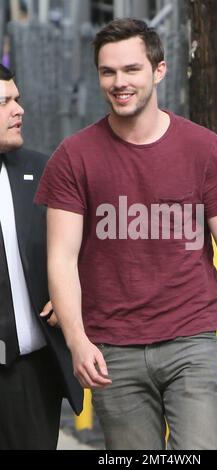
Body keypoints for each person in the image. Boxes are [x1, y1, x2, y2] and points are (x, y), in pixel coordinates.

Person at [35, 18, 217, 450]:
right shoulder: (74, 157)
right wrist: (77, 340)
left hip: (191, 342)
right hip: (112, 349)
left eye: (131, 69)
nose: (119, 82)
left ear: (158, 70)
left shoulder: (202, 148)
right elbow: (62, 257)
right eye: (108, 72)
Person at [0, 63, 83, 450]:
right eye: (5, 102)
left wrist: (67, 292)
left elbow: (78, 248)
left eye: (17, 99)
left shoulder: (39, 169)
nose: (19, 110)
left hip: (28, 373)